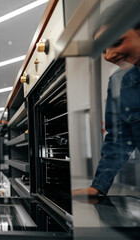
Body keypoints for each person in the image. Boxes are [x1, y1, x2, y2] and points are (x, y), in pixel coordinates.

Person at [72, 20, 140, 197]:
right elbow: (118, 139)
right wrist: (99, 186)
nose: (108, 56)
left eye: (117, 42)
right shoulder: (118, 81)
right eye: (103, 49)